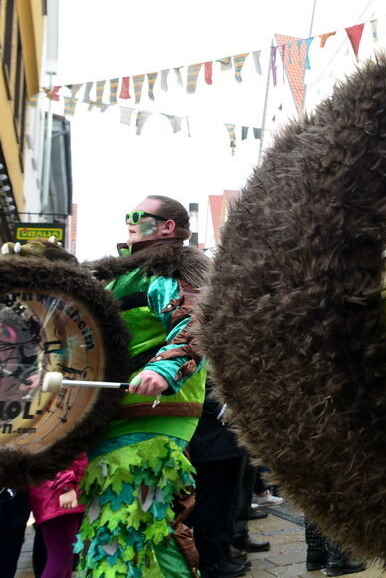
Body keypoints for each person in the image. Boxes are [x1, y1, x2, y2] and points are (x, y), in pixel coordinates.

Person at [75, 195, 210, 578]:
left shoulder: (172, 269)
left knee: (122, 526)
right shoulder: (119, 276)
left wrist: (165, 370)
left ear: (167, 227)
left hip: (152, 416)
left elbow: (197, 320)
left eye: (139, 216)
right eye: (128, 215)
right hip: (110, 416)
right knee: (146, 527)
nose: (130, 220)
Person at [189, 378, 258, 578]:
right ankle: (212, 561)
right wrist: (222, 408)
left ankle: (224, 553)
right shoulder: (194, 351)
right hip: (210, 439)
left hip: (231, 439)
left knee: (228, 503)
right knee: (212, 505)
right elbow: (201, 386)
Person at [27, 454, 88, 578]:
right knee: (60, 558)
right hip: (58, 492)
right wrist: (65, 485)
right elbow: (52, 448)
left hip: (69, 489)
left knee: (66, 558)